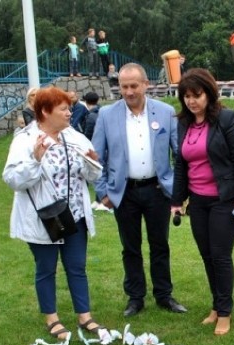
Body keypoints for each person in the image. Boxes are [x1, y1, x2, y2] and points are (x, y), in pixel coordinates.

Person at [3, 87, 111, 343]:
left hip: (75, 215)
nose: (69, 112)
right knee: (46, 268)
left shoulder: (74, 136)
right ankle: (51, 318)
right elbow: (12, 179)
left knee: (77, 267)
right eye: (63, 109)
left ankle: (84, 316)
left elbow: (94, 175)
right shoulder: (25, 140)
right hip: (45, 218)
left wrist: (92, 163)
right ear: (45, 111)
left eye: (69, 107)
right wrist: (35, 160)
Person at [92, 63, 187, 317]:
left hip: (157, 190)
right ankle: (135, 298)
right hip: (124, 193)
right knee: (130, 247)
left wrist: (178, 191)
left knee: (160, 245)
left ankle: (164, 295)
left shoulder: (166, 112)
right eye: (124, 86)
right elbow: (95, 157)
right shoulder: (106, 115)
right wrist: (102, 192)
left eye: (134, 85)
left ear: (146, 84)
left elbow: (180, 154)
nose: (129, 91)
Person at [170, 69, 234, 335]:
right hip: (198, 201)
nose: (191, 101)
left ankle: (225, 313)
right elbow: (181, 165)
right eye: (186, 96)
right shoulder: (183, 123)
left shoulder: (227, 119)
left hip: (225, 200)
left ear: (209, 93)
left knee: (220, 255)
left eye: (197, 95)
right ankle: (216, 307)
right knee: (207, 256)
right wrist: (176, 200)